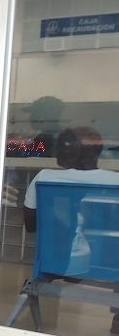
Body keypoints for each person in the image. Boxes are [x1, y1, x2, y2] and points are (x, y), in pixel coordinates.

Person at [22, 126, 119, 334]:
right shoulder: (115, 181)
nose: (57, 150)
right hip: (107, 268)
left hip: (56, 265)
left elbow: (30, 226)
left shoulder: (44, 178)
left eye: (64, 146)